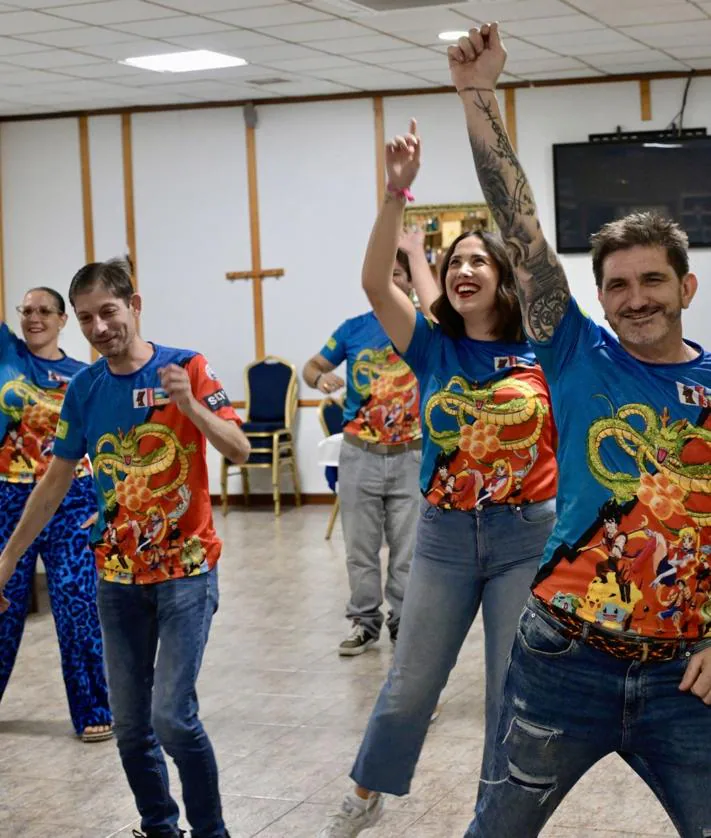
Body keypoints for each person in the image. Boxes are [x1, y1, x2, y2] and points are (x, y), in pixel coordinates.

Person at [449, 23, 711, 838]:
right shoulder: (573, 353)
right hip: (563, 660)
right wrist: (477, 95)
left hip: (686, 680)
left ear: (686, 286)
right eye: (617, 286)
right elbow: (518, 224)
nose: (635, 298)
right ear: (597, 298)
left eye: (652, 281)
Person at [317, 121, 558, 837]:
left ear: (502, 275)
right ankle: (367, 792)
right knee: (410, 683)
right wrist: (395, 193)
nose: (467, 269)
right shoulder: (431, 348)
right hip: (446, 536)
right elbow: (371, 281)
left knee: (506, 693)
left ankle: (493, 816)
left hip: (525, 534)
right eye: (457, 261)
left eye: (481, 259)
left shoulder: (543, 349)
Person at [0, 258, 251, 838]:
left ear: (134, 306)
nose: (98, 328)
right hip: (116, 578)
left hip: (186, 572)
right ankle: (158, 826)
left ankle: (211, 831)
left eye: (108, 312)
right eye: (86, 318)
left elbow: (237, 449)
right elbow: (56, 478)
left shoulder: (186, 367)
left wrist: (189, 406)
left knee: (173, 719)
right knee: (133, 727)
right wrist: (11, 555)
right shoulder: (84, 389)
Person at [0, 286, 112, 742]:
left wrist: (106, 503)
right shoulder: (7, 352)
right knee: (1, 604)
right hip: (8, 497)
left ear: (64, 319)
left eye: (44, 311)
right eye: (27, 311)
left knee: (77, 603)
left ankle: (92, 710)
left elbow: (109, 443)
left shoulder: (86, 376)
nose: (34, 318)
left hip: (72, 499)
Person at [303, 249, 423, 655]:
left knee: (408, 551)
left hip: (412, 455)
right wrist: (321, 377)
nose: (391, 283)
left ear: (410, 280)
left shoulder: (425, 327)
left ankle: (404, 623)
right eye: (383, 276)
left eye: (399, 274)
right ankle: (364, 622)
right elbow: (311, 366)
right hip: (360, 454)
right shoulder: (353, 330)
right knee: (360, 548)